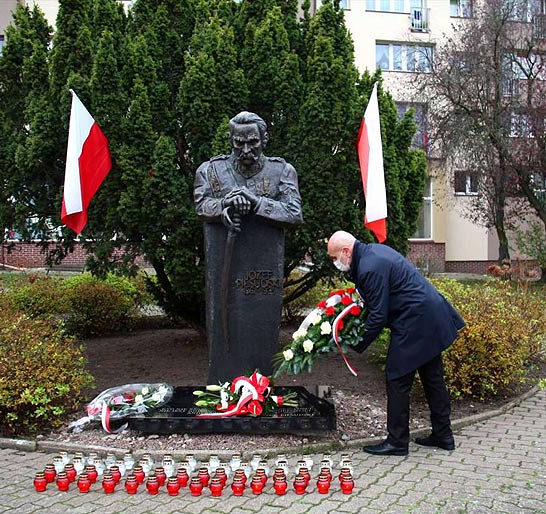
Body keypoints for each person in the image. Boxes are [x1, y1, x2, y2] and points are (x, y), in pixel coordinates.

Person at [327, 230, 465, 456]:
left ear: (345, 251)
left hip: (415, 320)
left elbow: (378, 315)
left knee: (397, 377)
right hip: (429, 314)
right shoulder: (372, 254)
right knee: (433, 378)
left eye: (334, 257)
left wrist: (357, 344)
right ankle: (443, 435)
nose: (335, 262)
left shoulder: (369, 266)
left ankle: (397, 442)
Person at [194, 111, 303, 382]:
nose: (245, 150)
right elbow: (201, 204)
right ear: (230, 140)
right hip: (225, 267)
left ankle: (259, 386)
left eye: (252, 142)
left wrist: (256, 203)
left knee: (259, 331)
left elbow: (293, 212)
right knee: (224, 330)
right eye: (238, 143)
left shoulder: (282, 171)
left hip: (264, 272)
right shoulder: (210, 171)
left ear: (264, 139)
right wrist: (223, 207)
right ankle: (223, 384)